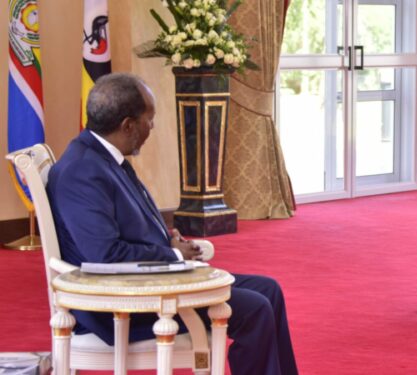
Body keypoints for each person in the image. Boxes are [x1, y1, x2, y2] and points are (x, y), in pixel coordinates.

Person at [47, 73, 298, 374]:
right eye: (149, 119)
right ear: (127, 125)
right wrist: (174, 255)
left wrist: (166, 239)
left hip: (148, 283)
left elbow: (124, 224)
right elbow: (106, 255)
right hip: (123, 303)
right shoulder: (82, 171)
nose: (152, 126)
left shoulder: (103, 156)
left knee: (269, 289)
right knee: (255, 309)